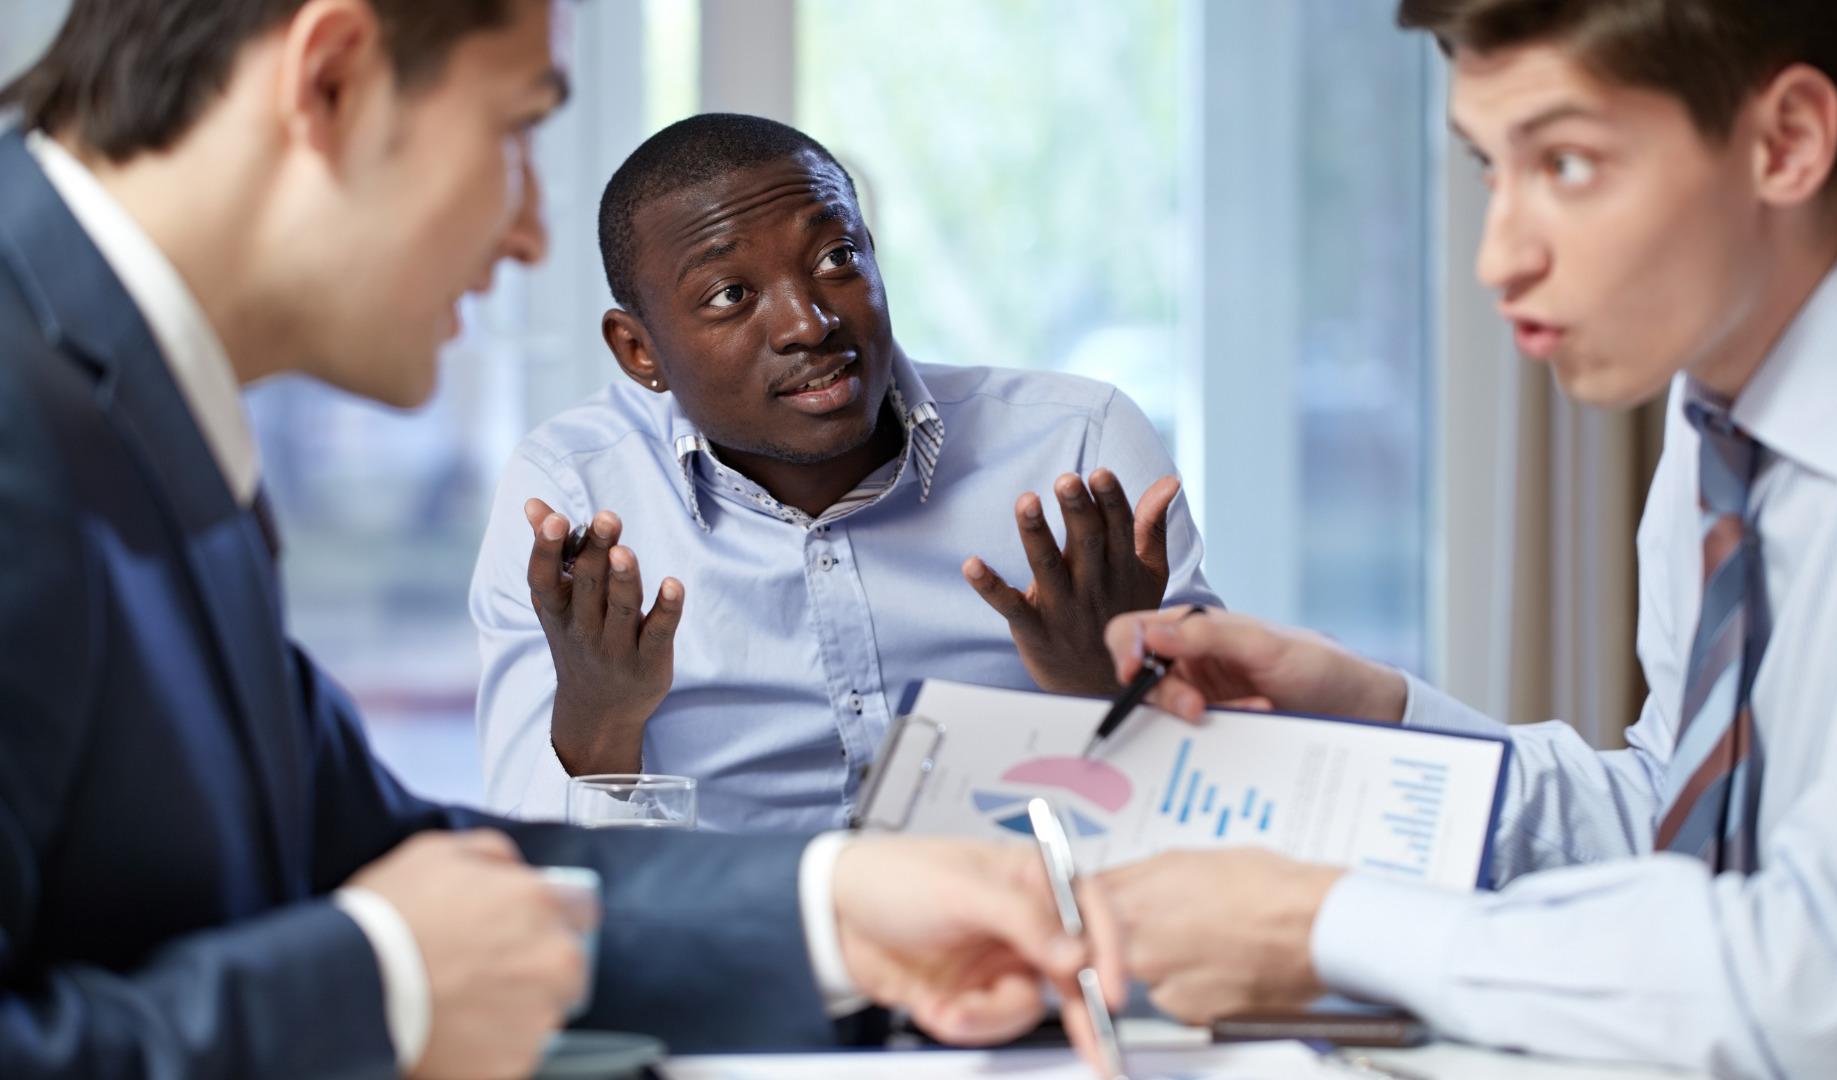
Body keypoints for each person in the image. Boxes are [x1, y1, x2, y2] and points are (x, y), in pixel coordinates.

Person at [0, 2, 1126, 1077]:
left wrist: (837, 914)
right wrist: (381, 982)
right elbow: (396, 922)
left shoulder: (129, 411)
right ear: (331, 79)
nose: (531, 232)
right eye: (517, 128)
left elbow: (372, 849)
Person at [1096, 0, 1837, 1075]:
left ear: (1787, 141)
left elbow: (1836, 996)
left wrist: (1324, 929)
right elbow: (1689, 833)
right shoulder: (1724, 402)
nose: (1498, 259)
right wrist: (1374, 721)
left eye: (1568, 165)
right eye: (1492, 167)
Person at [469, 113, 1217, 831]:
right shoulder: (576, 499)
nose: (809, 323)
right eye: (732, 295)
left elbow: (1236, 812)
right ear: (640, 351)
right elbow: (541, 888)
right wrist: (601, 723)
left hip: (1040, 936)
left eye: (837, 259)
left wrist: (1103, 691)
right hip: (737, 948)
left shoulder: (1077, 453)